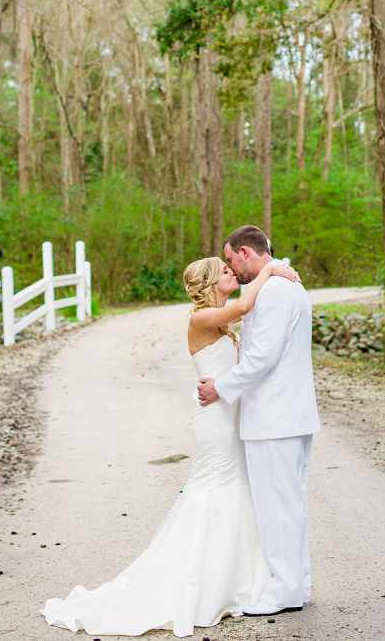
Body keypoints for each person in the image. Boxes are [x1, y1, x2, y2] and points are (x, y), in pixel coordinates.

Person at [41, 255, 300, 638]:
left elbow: (254, 320)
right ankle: (201, 582)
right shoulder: (200, 319)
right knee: (214, 492)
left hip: (232, 419)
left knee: (236, 493)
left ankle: (238, 581)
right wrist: (271, 269)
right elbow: (246, 305)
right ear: (211, 283)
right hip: (216, 425)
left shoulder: (222, 320)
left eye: (232, 268)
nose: (232, 273)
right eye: (225, 271)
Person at [198, 224, 321, 617]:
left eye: (232, 260)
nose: (232, 268)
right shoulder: (290, 285)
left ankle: (283, 591)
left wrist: (221, 386)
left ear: (247, 253)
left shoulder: (272, 291)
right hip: (293, 414)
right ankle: (296, 584)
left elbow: (260, 358)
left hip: (274, 417)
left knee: (277, 505)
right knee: (292, 502)